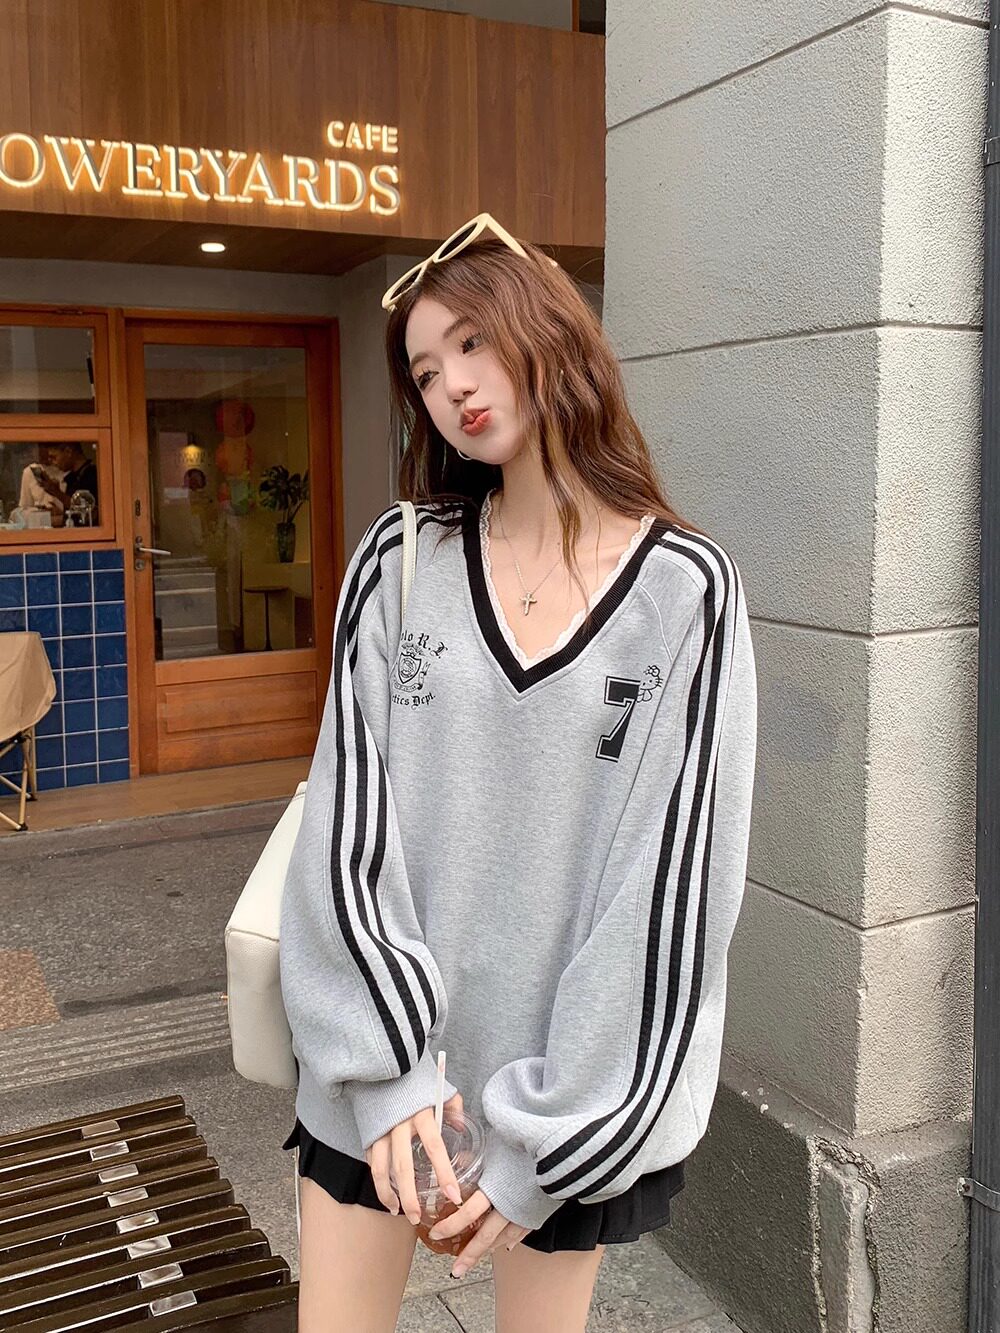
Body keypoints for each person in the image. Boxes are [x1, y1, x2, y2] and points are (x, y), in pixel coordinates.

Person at [278, 213, 758, 1333]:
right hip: (381, 1085)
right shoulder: (400, 562)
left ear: (548, 333)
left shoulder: (684, 592)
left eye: (472, 343)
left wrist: (550, 1140)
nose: (451, 384)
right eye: (424, 370)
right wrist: (391, 1072)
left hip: (555, 1097)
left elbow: (670, 895)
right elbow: (347, 826)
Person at [34, 443, 98, 522]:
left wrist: (57, 493)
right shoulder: (73, 477)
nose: (52, 462)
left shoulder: (91, 475)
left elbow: (89, 513)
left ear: (68, 452)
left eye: (54, 457)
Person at [18, 444, 66, 517]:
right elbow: (24, 508)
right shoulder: (30, 472)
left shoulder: (67, 471)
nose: (40, 451)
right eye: (38, 447)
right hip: (38, 521)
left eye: (44, 446)